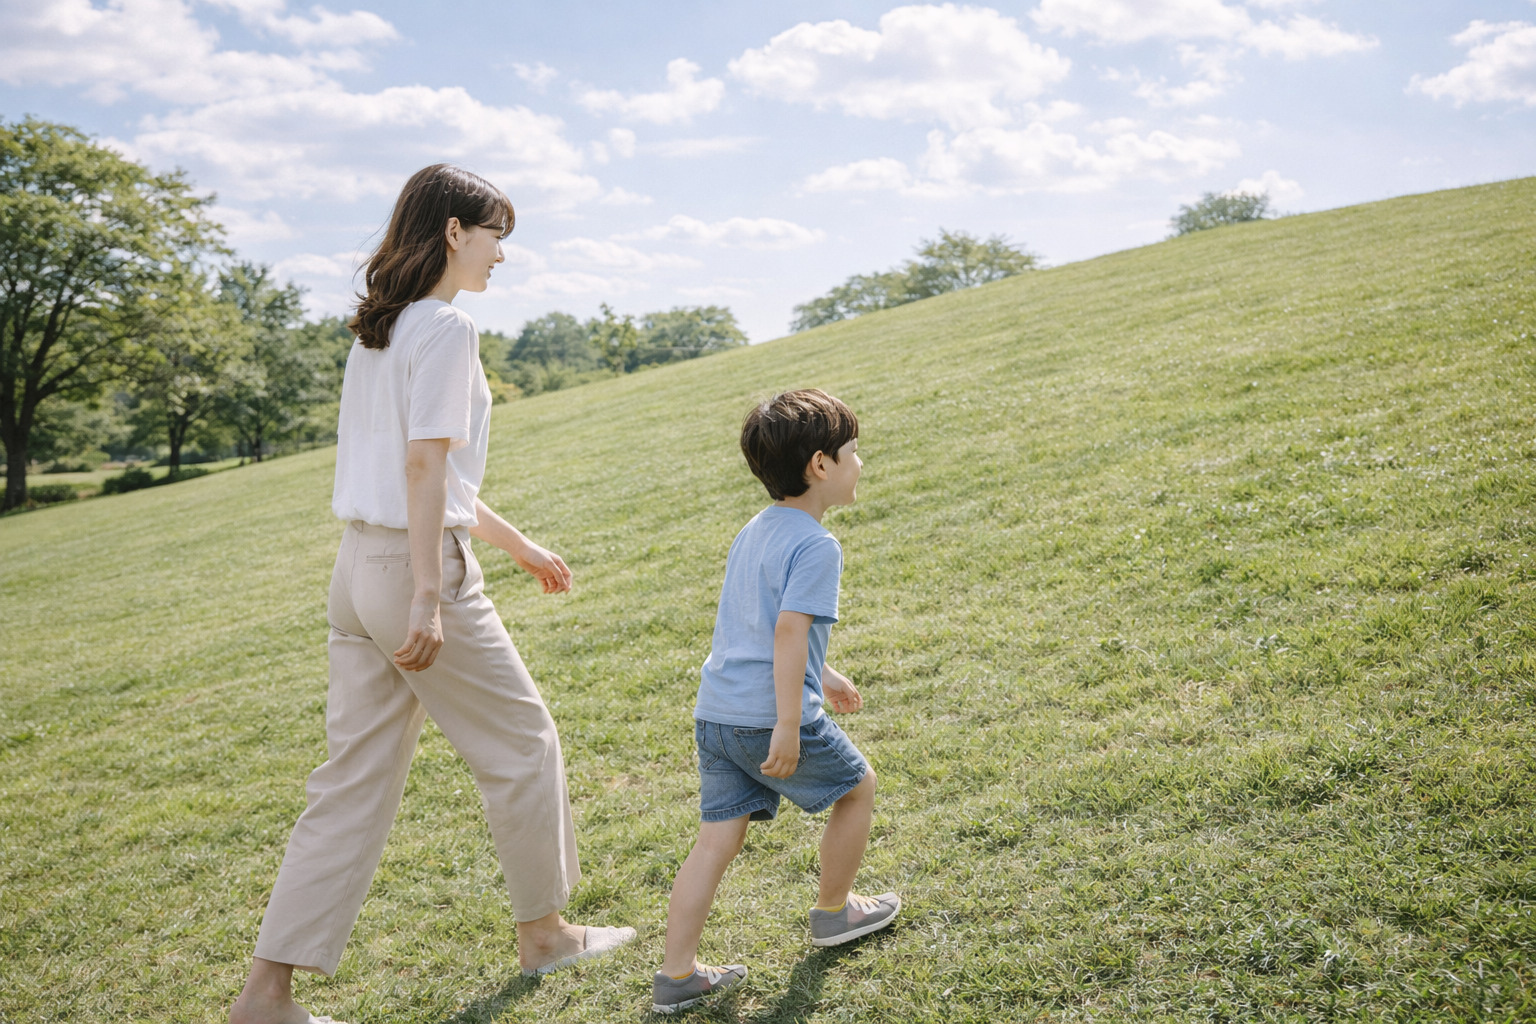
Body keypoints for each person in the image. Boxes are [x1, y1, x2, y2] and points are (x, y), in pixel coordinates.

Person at [230, 164, 633, 1024]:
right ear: (455, 231)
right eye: (496, 237)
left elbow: (428, 472)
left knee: (348, 786)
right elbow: (421, 466)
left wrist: (517, 543)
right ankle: (548, 938)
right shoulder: (446, 328)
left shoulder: (380, 332)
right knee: (523, 744)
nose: (501, 256)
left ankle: (266, 997)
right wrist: (426, 594)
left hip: (354, 573)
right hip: (412, 576)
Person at [650, 389, 900, 1014]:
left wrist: (827, 675)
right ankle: (835, 912)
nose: (860, 463)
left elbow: (760, 627)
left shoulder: (756, 530)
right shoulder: (817, 545)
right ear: (821, 465)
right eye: (853, 452)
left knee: (715, 841)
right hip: (767, 716)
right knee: (857, 788)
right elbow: (788, 631)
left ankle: (676, 974)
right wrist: (791, 721)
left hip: (717, 715)